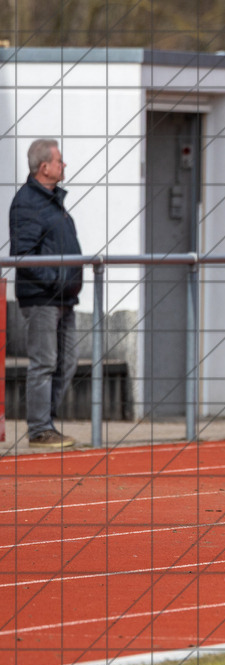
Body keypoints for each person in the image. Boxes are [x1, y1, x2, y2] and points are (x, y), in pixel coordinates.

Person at [9, 139, 83, 448]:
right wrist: (55, 281)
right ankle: (40, 428)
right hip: (43, 298)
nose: (63, 165)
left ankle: (47, 423)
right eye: (60, 161)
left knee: (68, 362)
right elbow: (23, 255)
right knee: (44, 362)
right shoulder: (29, 201)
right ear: (45, 168)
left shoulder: (52, 200)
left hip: (63, 297)